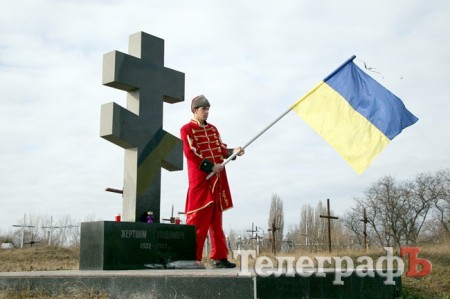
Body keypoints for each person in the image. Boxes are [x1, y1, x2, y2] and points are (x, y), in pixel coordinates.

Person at [180, 95, 244, 268]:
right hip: (201, 180)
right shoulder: (186, 129)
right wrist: (210, 166)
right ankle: (191, 258)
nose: (207, 112)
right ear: (195, 111)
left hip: (217, 180)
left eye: (208, 109)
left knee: (216, 220)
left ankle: (220, 258)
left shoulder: (213, 129)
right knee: (198, 220)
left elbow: (221, 150)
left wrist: (233, 151)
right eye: (203, 109)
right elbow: (190, 153)